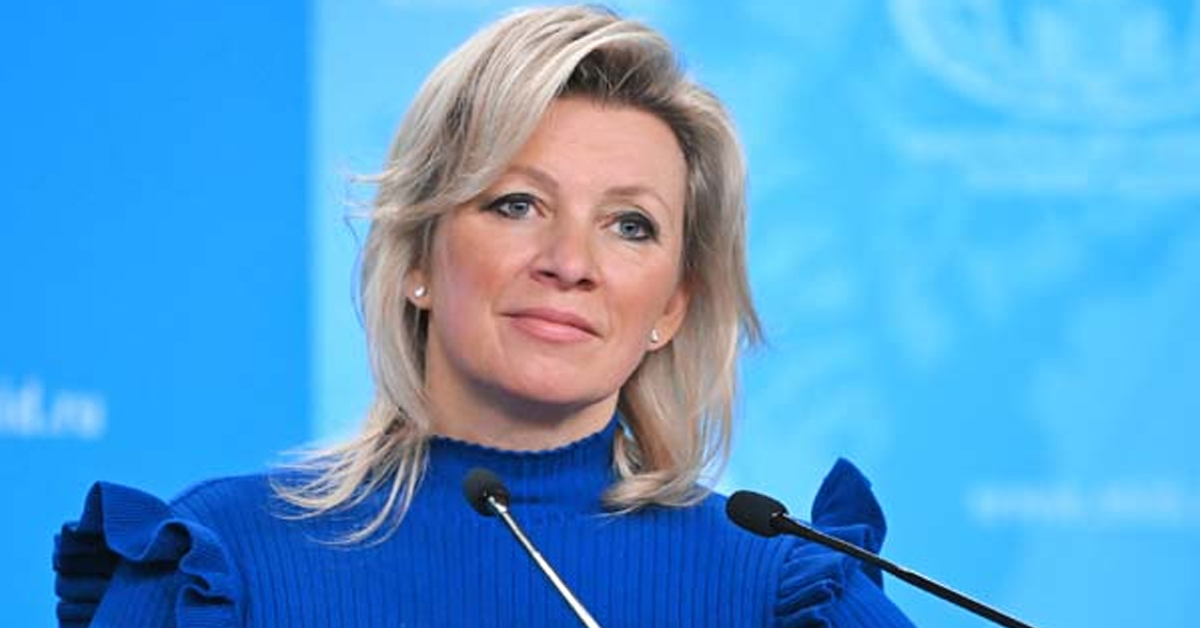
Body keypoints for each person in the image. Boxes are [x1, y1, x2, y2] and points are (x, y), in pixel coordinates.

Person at [53, 6, 917, 627]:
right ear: (418, 259)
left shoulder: (777, 592)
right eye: (516, 204)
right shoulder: (227, 564)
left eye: (629, 225)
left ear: (672, 305)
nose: (570, 262)